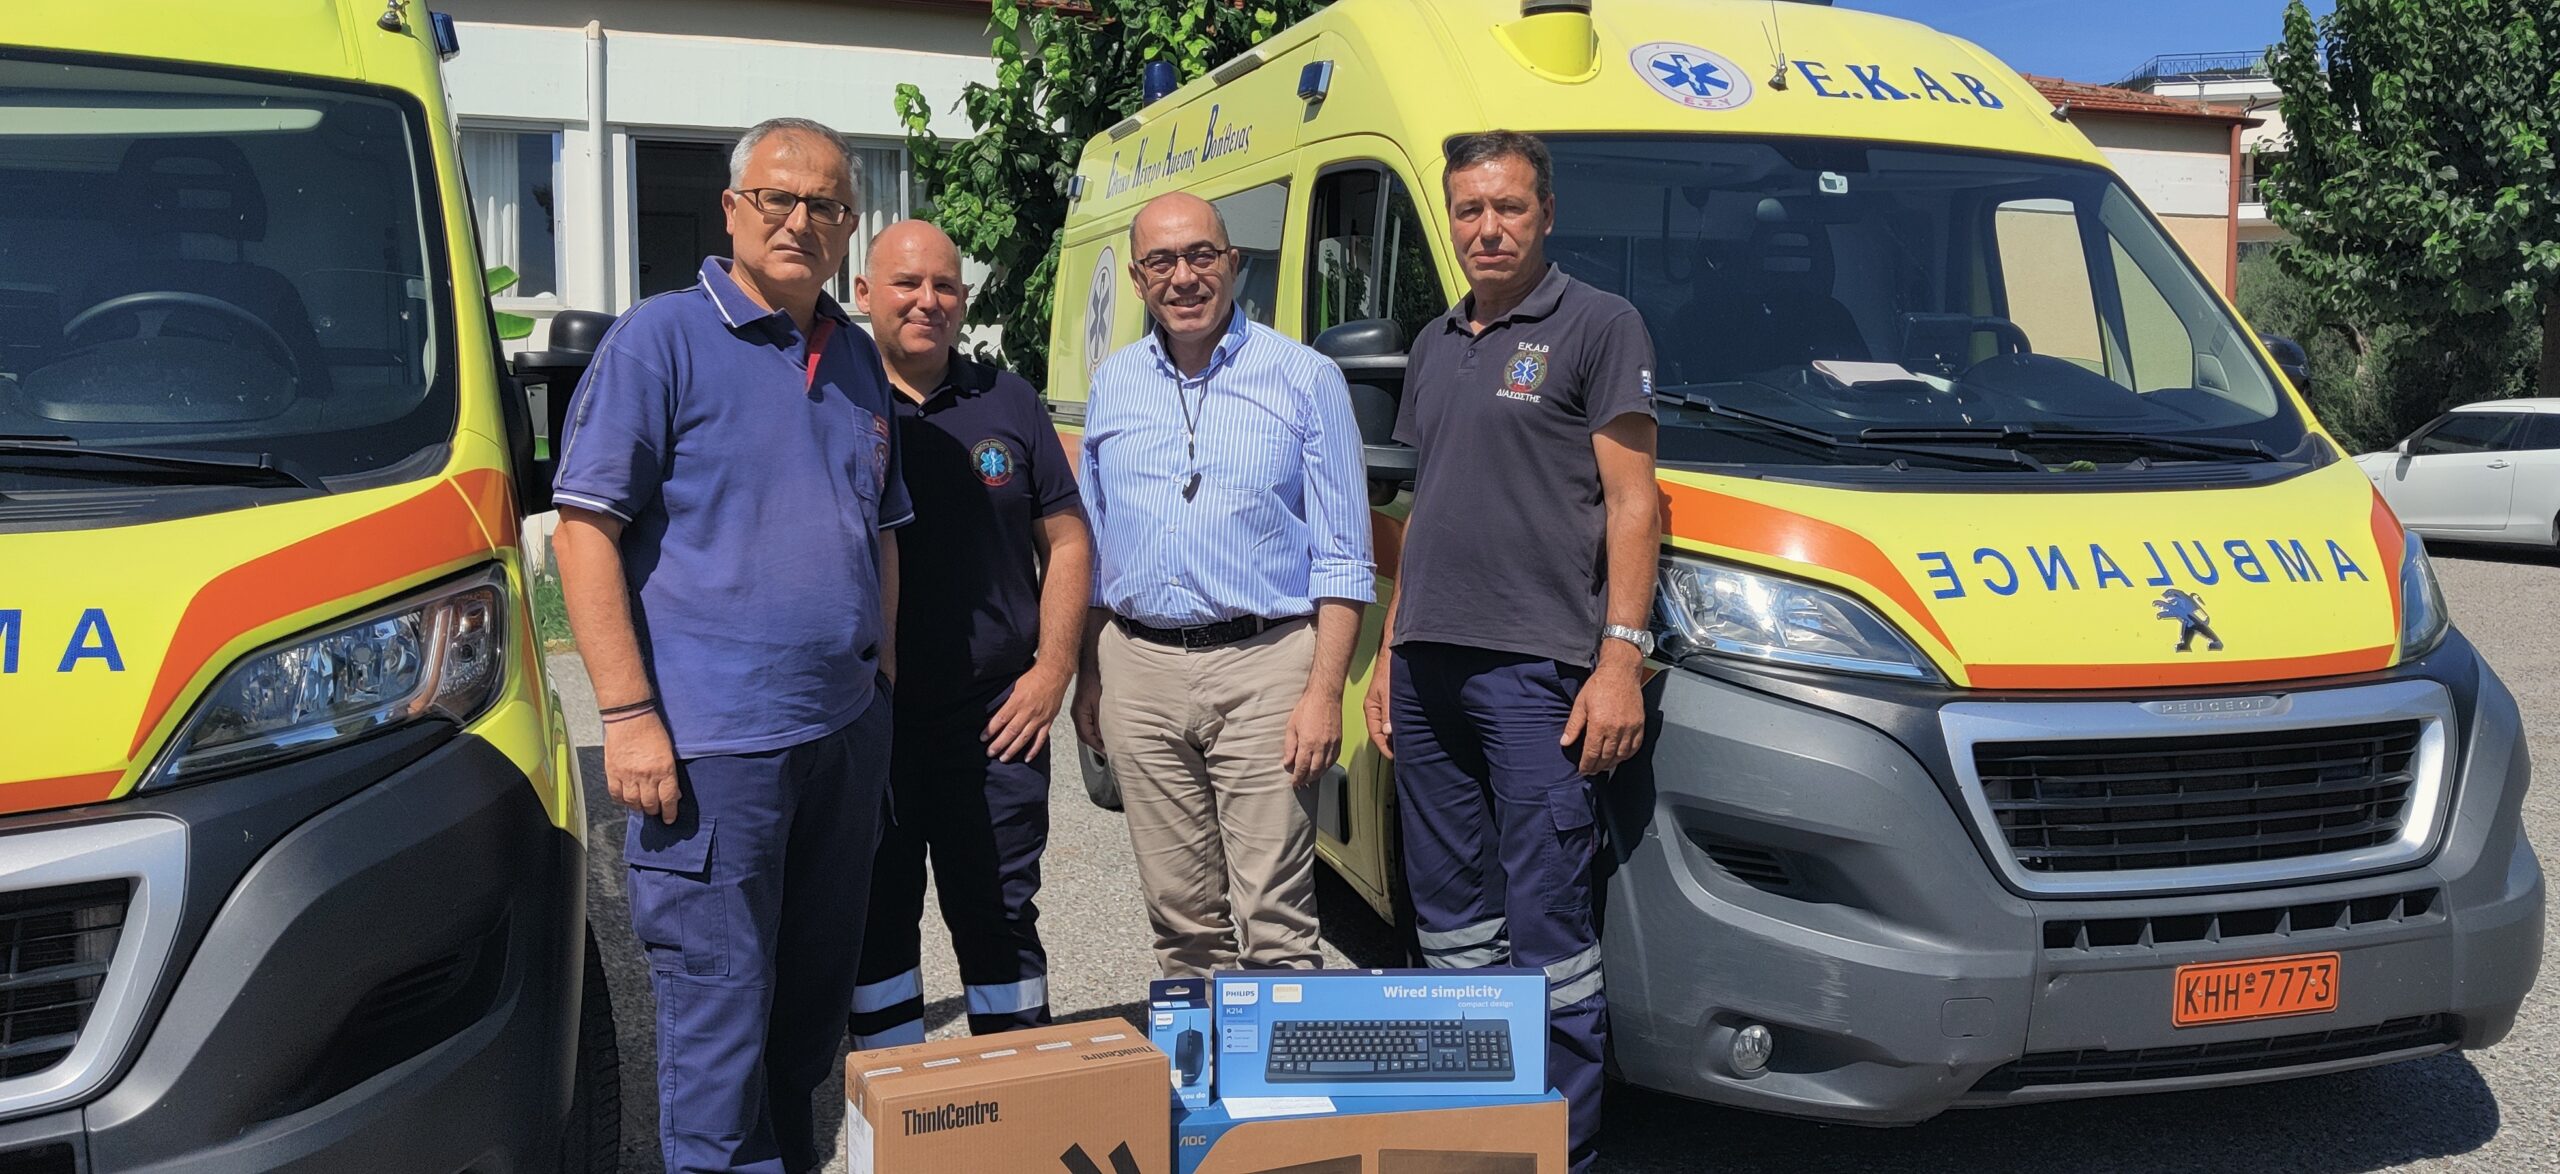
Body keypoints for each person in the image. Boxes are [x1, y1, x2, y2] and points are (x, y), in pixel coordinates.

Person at [551, 116, 908, 1174]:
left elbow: (881, 531)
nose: (801, 221)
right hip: (713, 754)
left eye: (826, 205)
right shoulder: (659, 339)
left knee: (805, 1023)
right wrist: (627, 716)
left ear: (849, 226)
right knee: (718, 1025)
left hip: (840, 739)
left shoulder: (856, 357)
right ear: (732, 209)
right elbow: (584, 531)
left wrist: (881, 683)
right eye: (777, 198)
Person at [1361, 130, 1658, 1173]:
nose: (1487, 228)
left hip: (1537, 672)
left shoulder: (1599, 325)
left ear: (1546, 214)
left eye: (1509, 207)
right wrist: (1387, 654)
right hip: (1426, 665)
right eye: (1469, 210)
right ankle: (1475, 1132)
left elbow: (1634, 503)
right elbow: (1426, 508)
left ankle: (1560, 1144)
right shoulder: (1437, 341)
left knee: (1550, 926)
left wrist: (1619, 660)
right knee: (1450, 921)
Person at [1071, 191, 1373, 978]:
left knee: (1276, 921)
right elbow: (1096, 554)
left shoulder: (1306, 378)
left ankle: (1279, 1065)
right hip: (1139, 668)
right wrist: (1089, 678)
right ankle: (1200, 1060)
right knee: (1180, 921)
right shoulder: (1113, 384)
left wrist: (1324, 693)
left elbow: (1345, 555)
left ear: (1233, 263)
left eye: (1201, 255)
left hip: (1264, 667)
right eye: (1162, 261)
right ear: (1137, 279)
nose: (1184, 277)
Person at [845, 220, 1091, 1049]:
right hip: (872, 717)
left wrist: (1053, 669)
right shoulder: (836, 401)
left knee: (1000, 914)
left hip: (994, 718)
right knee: (877, 919)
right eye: (907, 283)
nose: (929, 301)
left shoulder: (1008, 400)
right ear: (864, 294)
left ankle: (1017, 1090)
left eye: (945, 285)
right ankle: (896, 1099)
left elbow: (1068, 539)